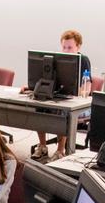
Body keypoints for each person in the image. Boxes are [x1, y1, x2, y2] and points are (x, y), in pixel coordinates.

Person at [29, 29, 92, 161]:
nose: (66, 50)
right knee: (38, 107)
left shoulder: (83, 60)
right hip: (58, 96)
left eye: (70, 47)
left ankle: (60, 151)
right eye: (64, 47)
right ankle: (42, 146)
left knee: (62, 112)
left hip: (76, 102)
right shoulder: (57, 59)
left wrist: (80, 94)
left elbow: (87, 84)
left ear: (78, 46)